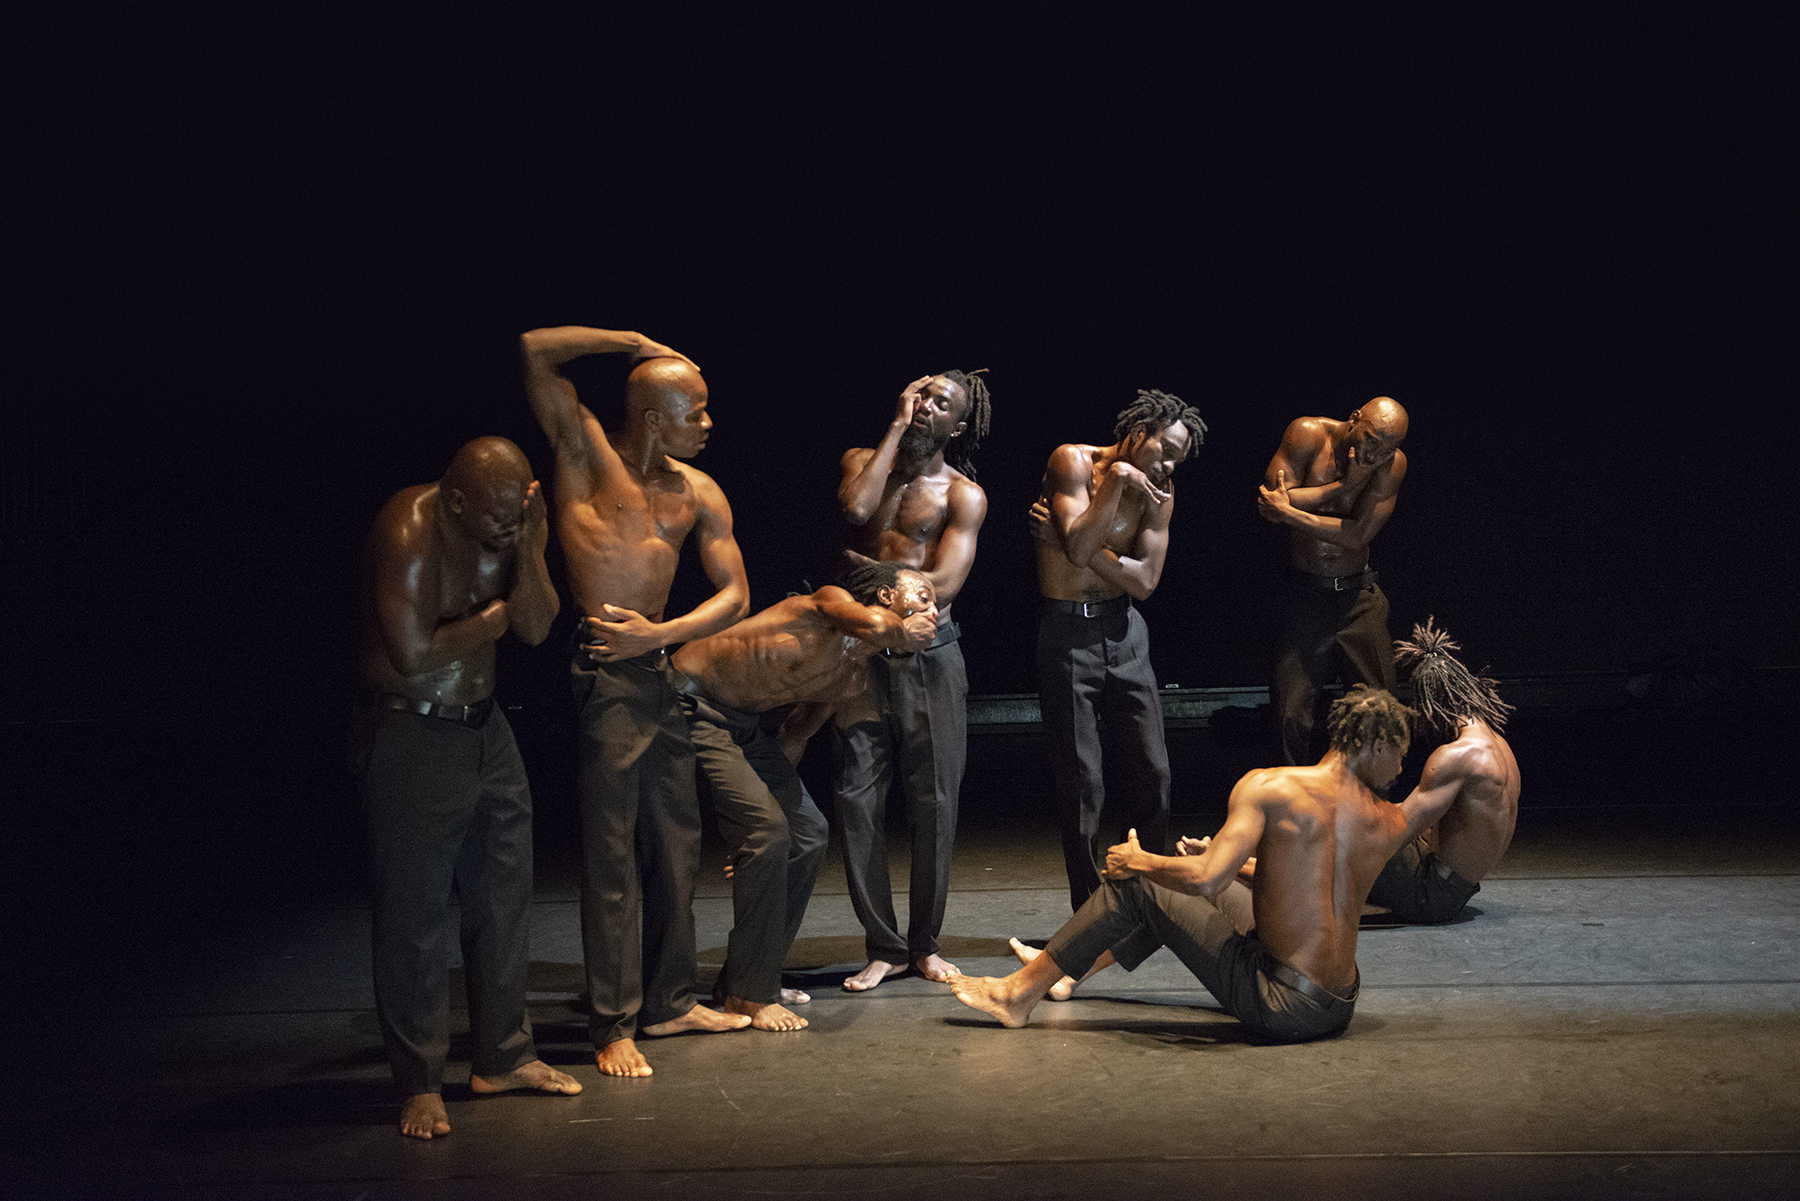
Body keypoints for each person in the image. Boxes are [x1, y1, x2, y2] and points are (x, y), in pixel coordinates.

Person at [953, 687, 1459, 1042]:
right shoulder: (1388, 821)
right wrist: (1218, 865)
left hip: (1279, 1004)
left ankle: (1018, 994)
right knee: (1179, 881)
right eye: (1399, 755)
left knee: (1142, 885)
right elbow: (1301, 884)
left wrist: (1141, 861)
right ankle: (1068, 975)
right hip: (1336, 1006)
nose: (1400, 769)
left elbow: (1204, 878)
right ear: (1374, 744)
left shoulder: (1270, 787)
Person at [520, 326, 753, 1080]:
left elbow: (736, 595)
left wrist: (662, 633)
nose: (708, 423)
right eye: (696, 411)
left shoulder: (699, 492)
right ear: (655, 417)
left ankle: (670, 1001)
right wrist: (630, 341)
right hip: (604, 678)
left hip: (657, 670)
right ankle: (613, 1021)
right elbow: (534, 349)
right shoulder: (585, 454)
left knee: (677, 844)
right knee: (612, 853)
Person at [352, 436, 582, 1139]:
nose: (509, 526)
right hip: (412, 729)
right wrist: (494, 616)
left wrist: (532, 546)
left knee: (504, 895)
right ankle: (419, 1081)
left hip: (487, 728)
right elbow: (412, 651)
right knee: (415, 914)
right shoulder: (409, 527)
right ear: (456, 502)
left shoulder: (517, 525)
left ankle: (504, 1056)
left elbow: (537, 627)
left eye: (519, 512)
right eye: (498, 517)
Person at [672, 564, 940, 1029]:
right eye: (923, 597)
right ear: (884, 596)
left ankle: (748, 976)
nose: (933, 610)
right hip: (688, 700)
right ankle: (749, 995)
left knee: (806, 833)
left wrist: (757, 807)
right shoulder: (828, 606)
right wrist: (757, 822)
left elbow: (795, 735)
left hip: (740, 726)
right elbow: (873, 624)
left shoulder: (850, 679)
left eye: (935, 604)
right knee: (768, 831)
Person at [831, 370, 992, 991]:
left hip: (932, 656)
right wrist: (897, 426)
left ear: (959, 425)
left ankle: (924, 944)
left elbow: (943, 585)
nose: (926, 407)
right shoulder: (861, 463)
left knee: (935, 803)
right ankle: (884, 945)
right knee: (856, 797)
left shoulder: (963, 495)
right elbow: (855, 509)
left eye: (940, 403)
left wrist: (868, 574)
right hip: (862, 652)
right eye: (920, 396)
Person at [1030, 389, 1207, 915]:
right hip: (1067, 632)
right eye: (1165, 450)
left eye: (1178, 458)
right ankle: (1089, 911)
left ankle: (1146, 896)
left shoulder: (1161, 491)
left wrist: (1071, 542)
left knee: (1154, 771)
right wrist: (1118, 481)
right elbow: (1081, 547)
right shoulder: (1072, 462)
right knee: (1083, 780)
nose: (1169, 466)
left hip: (1126, 631)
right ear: (1137, 432)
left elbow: (1144, 581)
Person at [1258, 398, 1410, 766]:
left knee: (1381, 711)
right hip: (1306, 595)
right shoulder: (1307, 434)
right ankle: (1292, 798)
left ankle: (1375, 797)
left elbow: (1357, 535)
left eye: (1386, 448)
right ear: (1355, 419)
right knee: (1290, 716)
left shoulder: (1391, 463)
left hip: (1360, 598)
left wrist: (1291, 512)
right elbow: (1272, 500)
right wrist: (1342, 487)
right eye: (1371, 439)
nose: (1373, 454)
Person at [1369, 618, 1521, 922]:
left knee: (1333, 829)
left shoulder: (1456, 757)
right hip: (1453, 887)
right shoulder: (1500, 747)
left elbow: (1396, 833)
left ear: (1430, 704)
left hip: (1431, 894)